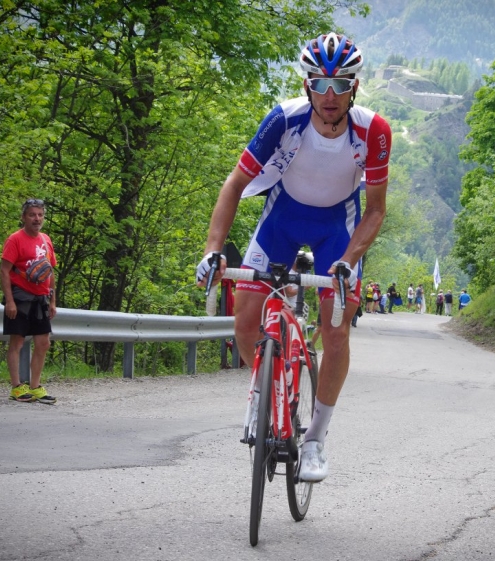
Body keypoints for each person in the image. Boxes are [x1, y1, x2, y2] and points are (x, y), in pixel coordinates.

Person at [196, 33, 392, 483]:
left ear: (355, 87)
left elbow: (376, 210)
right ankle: (268, 389)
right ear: (307, 85)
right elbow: (234, 184)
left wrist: (349, 260)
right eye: (320, 84)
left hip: (337, 230)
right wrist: (212, 249)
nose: (329, 95)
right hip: (281, 219)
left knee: (336, 329)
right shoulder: (283, 120)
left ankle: (316, 440)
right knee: (245, 322)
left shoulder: (374, 131)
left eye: (340, 85)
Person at [0, 199, 58, 405]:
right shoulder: (15, 239)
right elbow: (4, 271)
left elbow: (50, 271)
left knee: (43, 343)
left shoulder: (46, 239)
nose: (37, 219)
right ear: (24, 217)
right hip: (20, 297)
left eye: (40, 215)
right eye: (32, 215)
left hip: (41, 299)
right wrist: (10, 301)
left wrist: (53, 301)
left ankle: (35, 387)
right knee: (17, 342)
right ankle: (17, 387)